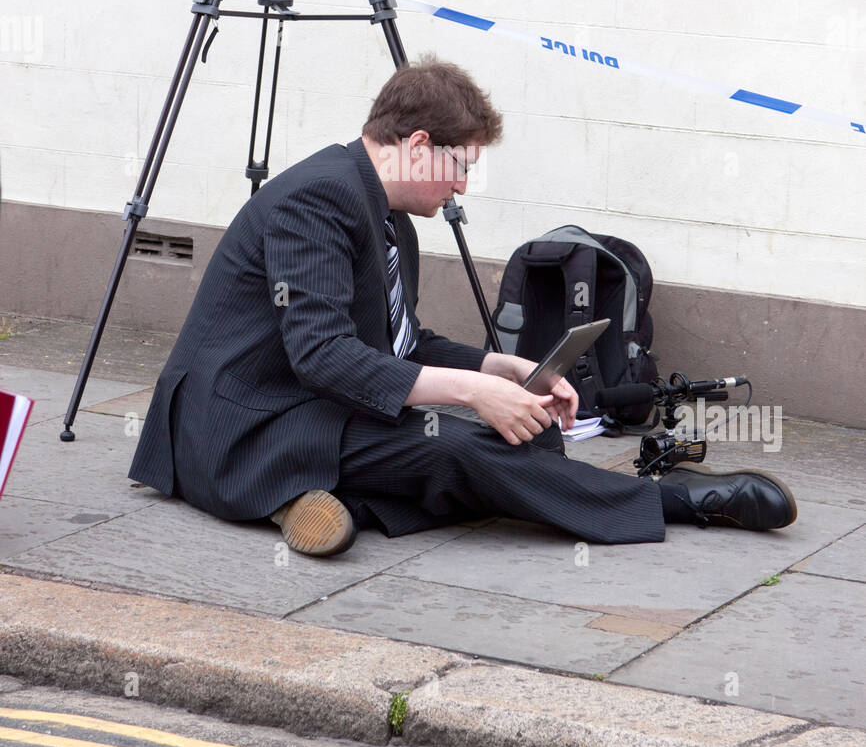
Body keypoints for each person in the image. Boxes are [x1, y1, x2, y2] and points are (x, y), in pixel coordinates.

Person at [128, 56, 797, 556]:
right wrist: (473, 394)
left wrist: (497, 370)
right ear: (419, 146)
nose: (462, 185)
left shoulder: (390, 218)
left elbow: (397, 345)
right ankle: (682, 502)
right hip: (244, 424)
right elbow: (322, 353)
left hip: (309, 405)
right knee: (458, 447)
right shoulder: (319, 200)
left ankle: (323, 499)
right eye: (461, 166)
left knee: (520, 430)